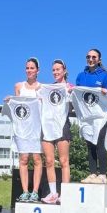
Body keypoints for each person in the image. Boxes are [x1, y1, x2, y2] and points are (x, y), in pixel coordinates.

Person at [75, 48, 107, 183]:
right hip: (87, 116)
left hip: (100, 115)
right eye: (88, 57)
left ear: (99, 60)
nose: (91, 59)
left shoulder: (105, 76)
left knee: (99, 143)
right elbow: (77, 95)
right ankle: (92, 174)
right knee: (89, 143)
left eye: (94, 57)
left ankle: (102, 175)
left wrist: (106, 92)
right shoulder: (81, 76)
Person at [8, 57, 43, 202]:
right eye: (27, 68)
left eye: (32, 68)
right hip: (22, 129)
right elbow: (17, 106)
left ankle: (35, 191)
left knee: (37, 159)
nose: (29, 70)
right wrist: (10, 100)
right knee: (23, 159)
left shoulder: (42, 88)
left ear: (37, 70)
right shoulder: (18, 86)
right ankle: (25, 191)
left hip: (36, 128)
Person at [40, 59, 73, 204]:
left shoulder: (69, 87)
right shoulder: (47, 88)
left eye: (58, 69)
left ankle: (65, 194)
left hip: (62, 125)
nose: (55, 72)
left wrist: (71, 93)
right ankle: (53, 194)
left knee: (64, 161)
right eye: (53, 70)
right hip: (47, 126)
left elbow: (74, 108)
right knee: (49, 161)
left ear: (64, 71)